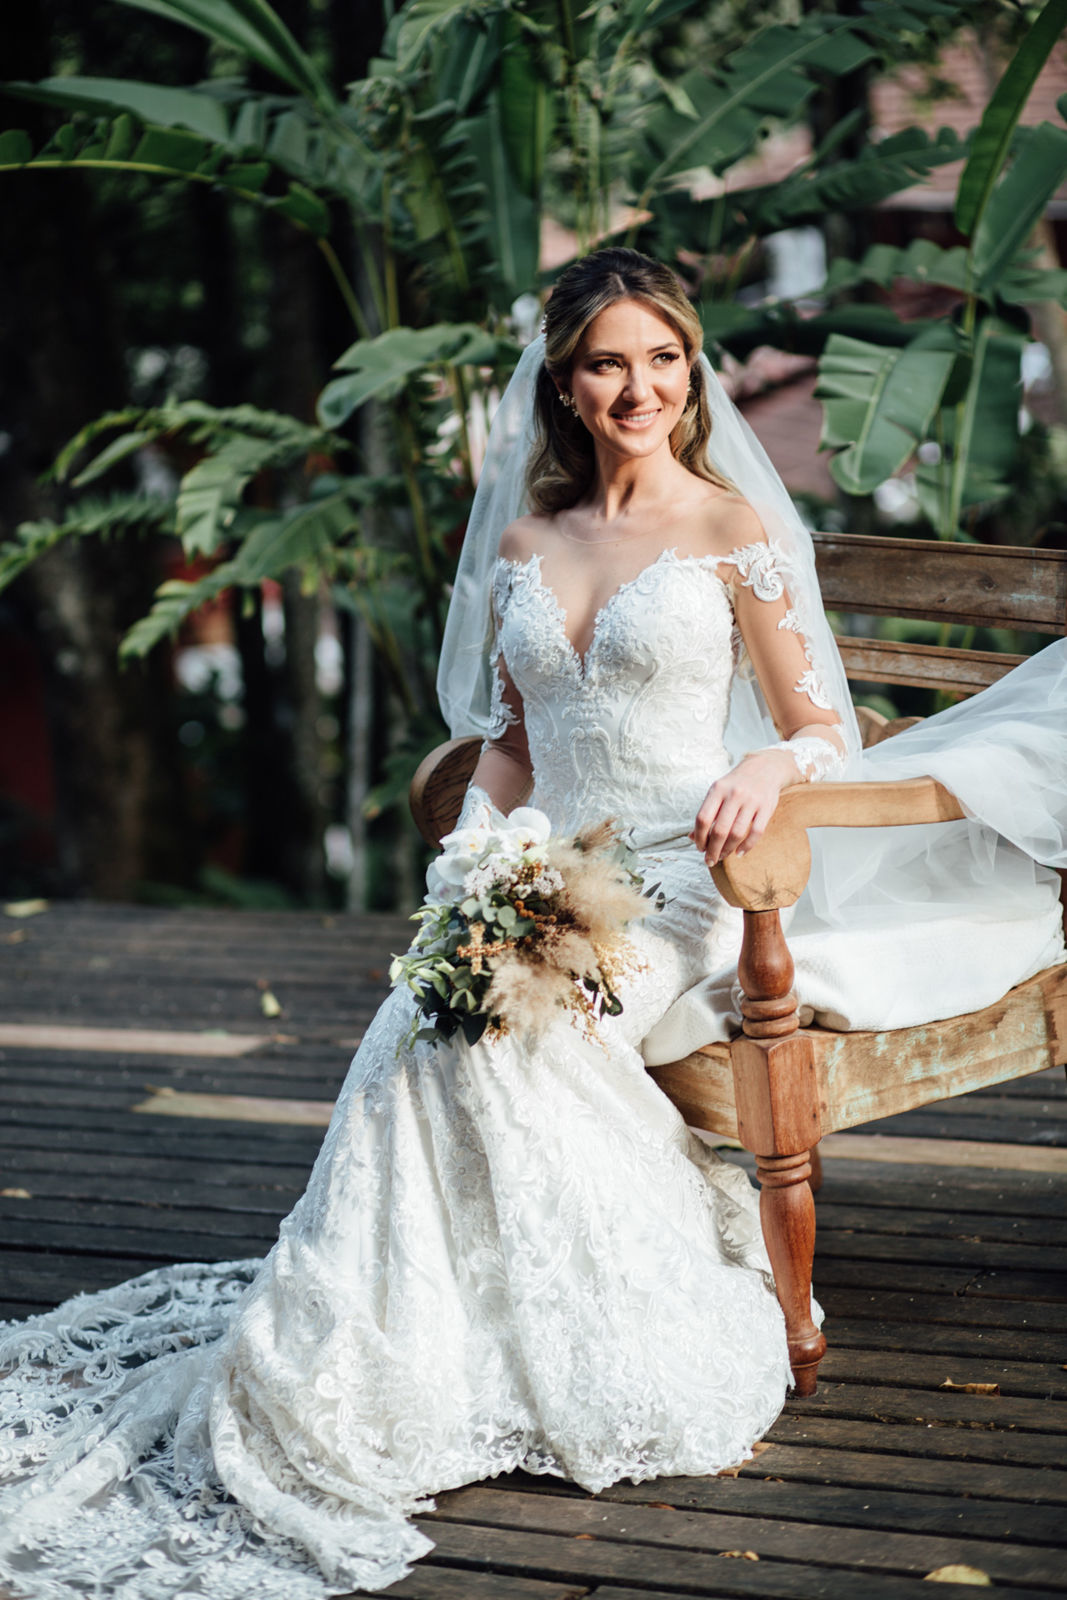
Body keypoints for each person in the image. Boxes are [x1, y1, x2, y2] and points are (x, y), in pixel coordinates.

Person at [0, 248, 1064, 1600]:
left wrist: (765, 769)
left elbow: (816, 723)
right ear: (563, 381)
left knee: (506, 1038)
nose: (643, 387)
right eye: (612, 362)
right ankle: (421, 1341)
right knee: (420, 1020)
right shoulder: (525, 540)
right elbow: (507, 743)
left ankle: (561, 1341)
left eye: (666, 359)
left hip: (680, 881)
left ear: (691, 372)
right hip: (545, 869)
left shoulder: (730, 529)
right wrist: (476, 862)